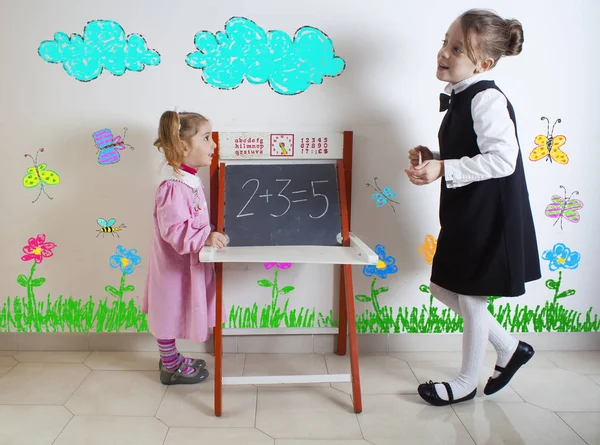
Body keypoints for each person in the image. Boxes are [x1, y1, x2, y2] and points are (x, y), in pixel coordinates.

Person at [404, 9, 541, 406]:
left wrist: (443, 167)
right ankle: (511, 348)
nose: (444, 53)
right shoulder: (465, 96)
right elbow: (474, 151)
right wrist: (434, 154)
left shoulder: (486, 98)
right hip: (468, 211)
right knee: (444, 288)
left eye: (457, 48)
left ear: (484, 63)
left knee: (471, 296)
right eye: (445, 41)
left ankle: (465, 383)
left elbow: (504, 159)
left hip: (490, 214)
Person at [143, 111, 228, 385]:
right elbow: (175, 229)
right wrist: (204, 237)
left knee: (175, 307)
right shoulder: (173, 185)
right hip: (172, 266)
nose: (213, 144)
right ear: (183, 146)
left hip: (185, 265)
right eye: (206, 138)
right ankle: (170, 367)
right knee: (168, 310)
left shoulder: (188, 180)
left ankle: (173, 359)